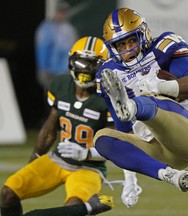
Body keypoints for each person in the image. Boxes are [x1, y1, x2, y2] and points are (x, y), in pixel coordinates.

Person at [58, 8, 188, 192]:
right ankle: (170, 176)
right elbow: (126, 133)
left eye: (132, 40)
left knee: (149, 98)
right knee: (102, 138)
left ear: (143, 34)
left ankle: (135, 106)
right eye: (120, 45)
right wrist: (130, 180)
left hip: (187, 134)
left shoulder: (162, 49)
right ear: (113, 48)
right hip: (155, 150)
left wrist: (158, 86)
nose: (128, 49)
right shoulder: (109, 74)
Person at [0, 36, 114, 216]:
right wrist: (36, 157)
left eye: (92, 64)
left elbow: (113, 146)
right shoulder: (61, 85)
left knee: (72, 208)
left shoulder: (108, 98)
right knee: (8, 193)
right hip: (57, 158)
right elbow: (49, 129)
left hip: (88, 167)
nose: (85, 70)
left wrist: (85, 152)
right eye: (81, 63)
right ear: (72, 61)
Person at [35, 1, 78, 91]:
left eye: (64, 12)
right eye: (60, 12)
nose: (62, 14)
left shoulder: (70, 29)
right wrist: (44, 68)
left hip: (66, 72)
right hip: (51, 72)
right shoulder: (47, 28)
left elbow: (74, 50)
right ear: (56, 12)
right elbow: (42, 49)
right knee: (52, 97)